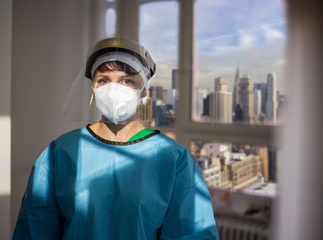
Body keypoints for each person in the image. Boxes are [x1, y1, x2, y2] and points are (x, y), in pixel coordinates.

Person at [13, 38, 219, 240]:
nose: (113, 89)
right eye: (103, 80)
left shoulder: (173, 159)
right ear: (93, 88)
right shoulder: (61, 152)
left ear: (143, 90)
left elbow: (192, 233)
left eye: (127, 80)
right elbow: (34, 229)